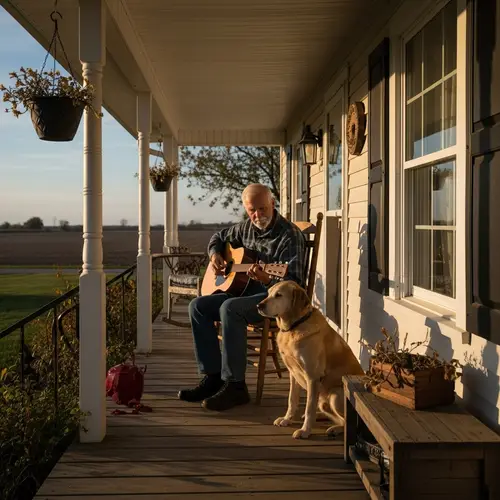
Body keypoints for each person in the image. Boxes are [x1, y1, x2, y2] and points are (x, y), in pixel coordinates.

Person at [178, 183, 307, 411]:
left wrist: (267, 280)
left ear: (272, 204)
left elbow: (295, 284)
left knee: (230, 308)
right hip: (242, 292)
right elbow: (218, 237)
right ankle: (213, 377)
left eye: (262, 209)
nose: (257, 215)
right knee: (198, 306)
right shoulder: (245, 229)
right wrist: (215, 255)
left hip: (273, 302)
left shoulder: (289, 235)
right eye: (251, 210)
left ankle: (236, 386)